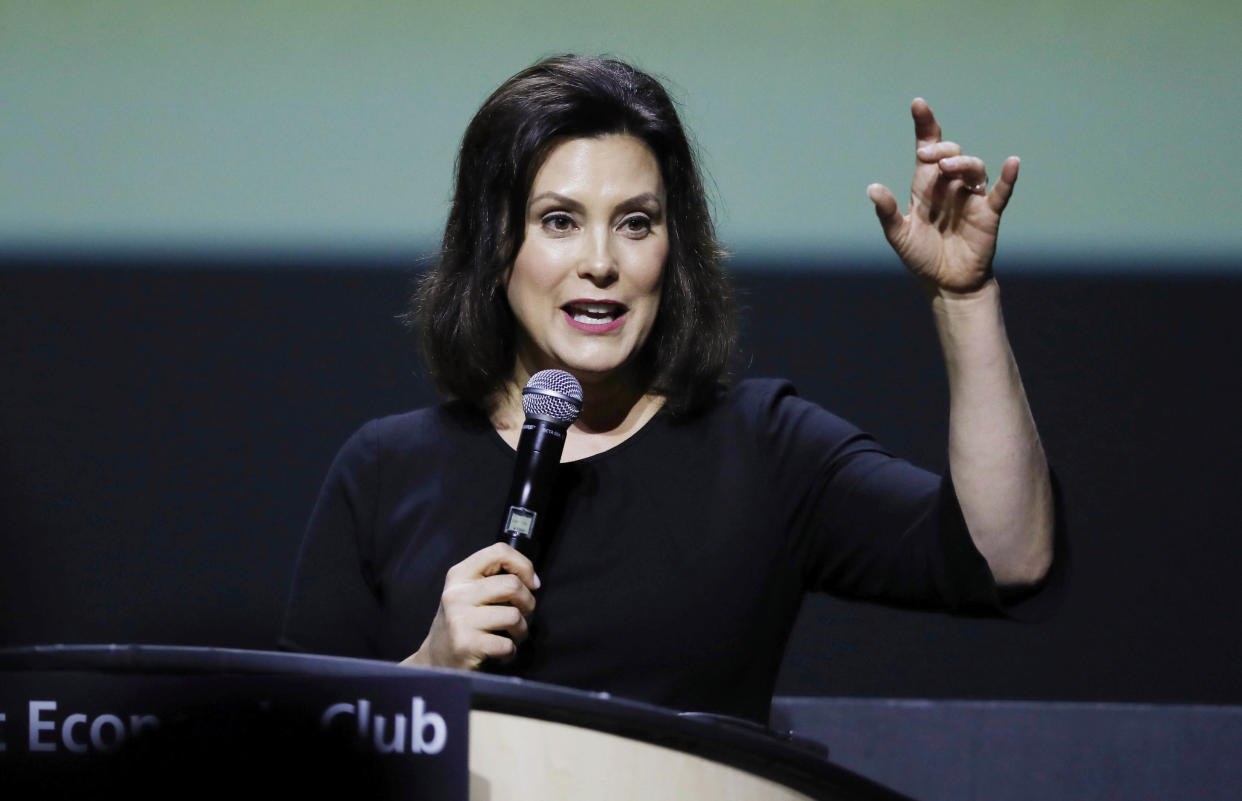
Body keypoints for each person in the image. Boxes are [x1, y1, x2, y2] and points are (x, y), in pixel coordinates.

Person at [280, 55, 1056, 723]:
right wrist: (427, 677)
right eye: (558, 221)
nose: (601, 261)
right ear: (494, 246)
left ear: (671, 248)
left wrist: (964, 298)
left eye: (636, 222)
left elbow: (1006, 554)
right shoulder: (385, 470)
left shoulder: (762, 447)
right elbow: (288, 753)